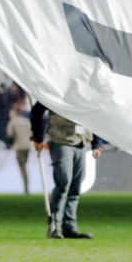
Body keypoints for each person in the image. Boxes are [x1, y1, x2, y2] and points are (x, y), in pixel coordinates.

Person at [30, 102, 103, 240]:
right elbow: (37, 111)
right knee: (63, 182)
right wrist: (38, 137)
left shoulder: (88, 95)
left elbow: (95, 117)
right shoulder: (57, 92)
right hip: (61, 141)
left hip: (82, 143)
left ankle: (69, 226)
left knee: (75, 186)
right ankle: (55, 226)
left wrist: (96, 143)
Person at [6, 104, 33, 194]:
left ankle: (25, 186)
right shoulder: (27, 121)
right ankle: (26, 185)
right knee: (24, 165)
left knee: (22, 166)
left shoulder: (13, 122)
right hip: (27, 146)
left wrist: (9, 144)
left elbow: (10, 135)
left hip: (19, 146)